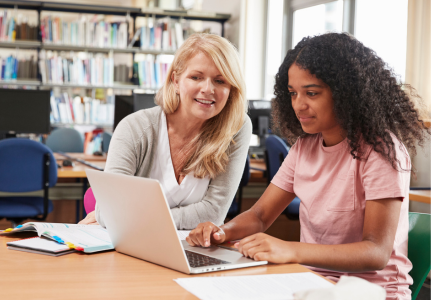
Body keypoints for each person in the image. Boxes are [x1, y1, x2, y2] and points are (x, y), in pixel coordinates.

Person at [186, 33, 430, 300]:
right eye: (293, 93)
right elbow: (259, 216)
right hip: (311, 283)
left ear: (345, 92)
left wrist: (292, 250)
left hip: (371, 292)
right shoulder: (305, 147)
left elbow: (376, 253)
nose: (299, 105)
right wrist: (223, 232)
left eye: (311, 93)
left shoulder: (381, 150)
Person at [79, 33, 251, 230]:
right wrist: (115, 215)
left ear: (231, 88)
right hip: (132, 246)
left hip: (192, 252)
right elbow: (109, 212)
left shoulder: (236, 126)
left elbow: (214, 213)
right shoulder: (135, 128)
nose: (207, 89)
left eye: (220, 81)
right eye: (196, 77)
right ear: (176, 81)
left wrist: (132, 218)